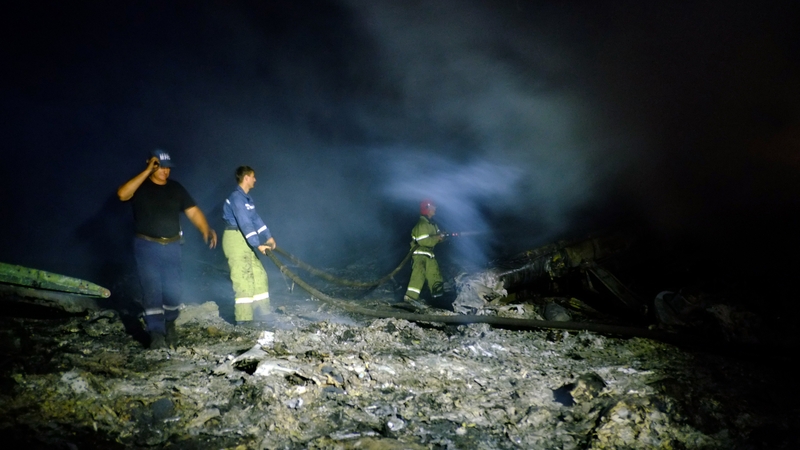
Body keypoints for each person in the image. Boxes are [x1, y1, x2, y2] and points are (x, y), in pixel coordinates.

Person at [117, 149, 217, 349]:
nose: (165, 171)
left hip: (172, 245)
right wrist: (147, 171)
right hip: (146, 245)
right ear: (151, 164)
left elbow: (193, 211)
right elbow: (122, 194)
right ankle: (156, 334)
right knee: (152, 288)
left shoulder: (176, 188)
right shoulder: (140, 187)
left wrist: (205, 228)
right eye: (160, 166)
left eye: (167, 167)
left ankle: (170, 323)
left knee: (174, 287)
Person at [222, 166, 276, 326]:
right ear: (246, 178)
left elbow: (255, 219)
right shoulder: (237, 199)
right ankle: (243, 319)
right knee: (243, 278)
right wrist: (257, 245)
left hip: (244, 239)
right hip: (235, 239)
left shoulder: (246, 199)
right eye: (253, 177)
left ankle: (263, 313)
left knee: (259, 274)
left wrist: (268, 236)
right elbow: (245, 224)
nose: (255, 180)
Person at [404, 199, 444, 308]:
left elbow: (437, 236)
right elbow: (423, 241)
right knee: (419, 274)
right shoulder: (422, 224)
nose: (435, 209)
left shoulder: (432, 224)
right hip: (420, 254)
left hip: (429, 254)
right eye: (433, 207)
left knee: (435, 275)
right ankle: (410, 298)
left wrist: (442, 237)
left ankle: (438, 298)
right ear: (427, 209)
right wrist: (437, 238)